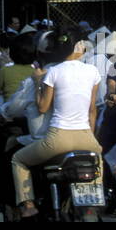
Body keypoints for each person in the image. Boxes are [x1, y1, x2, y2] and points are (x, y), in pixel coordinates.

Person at [10, 28, 101, 218]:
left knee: (18, 159)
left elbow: (42, 107)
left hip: (58, 138)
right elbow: (92, 110)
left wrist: (37, 82)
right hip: (87, 138)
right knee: (97, 161)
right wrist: (91, 136)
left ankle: (28, 205)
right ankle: (92, 204)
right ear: (78, 47)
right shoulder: (92, 71)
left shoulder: (54, 71)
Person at [0, 32, 38, 111]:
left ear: (12, 52)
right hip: (30, 114)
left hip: (10, 114)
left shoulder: (5, 70)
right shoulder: (38, 72)